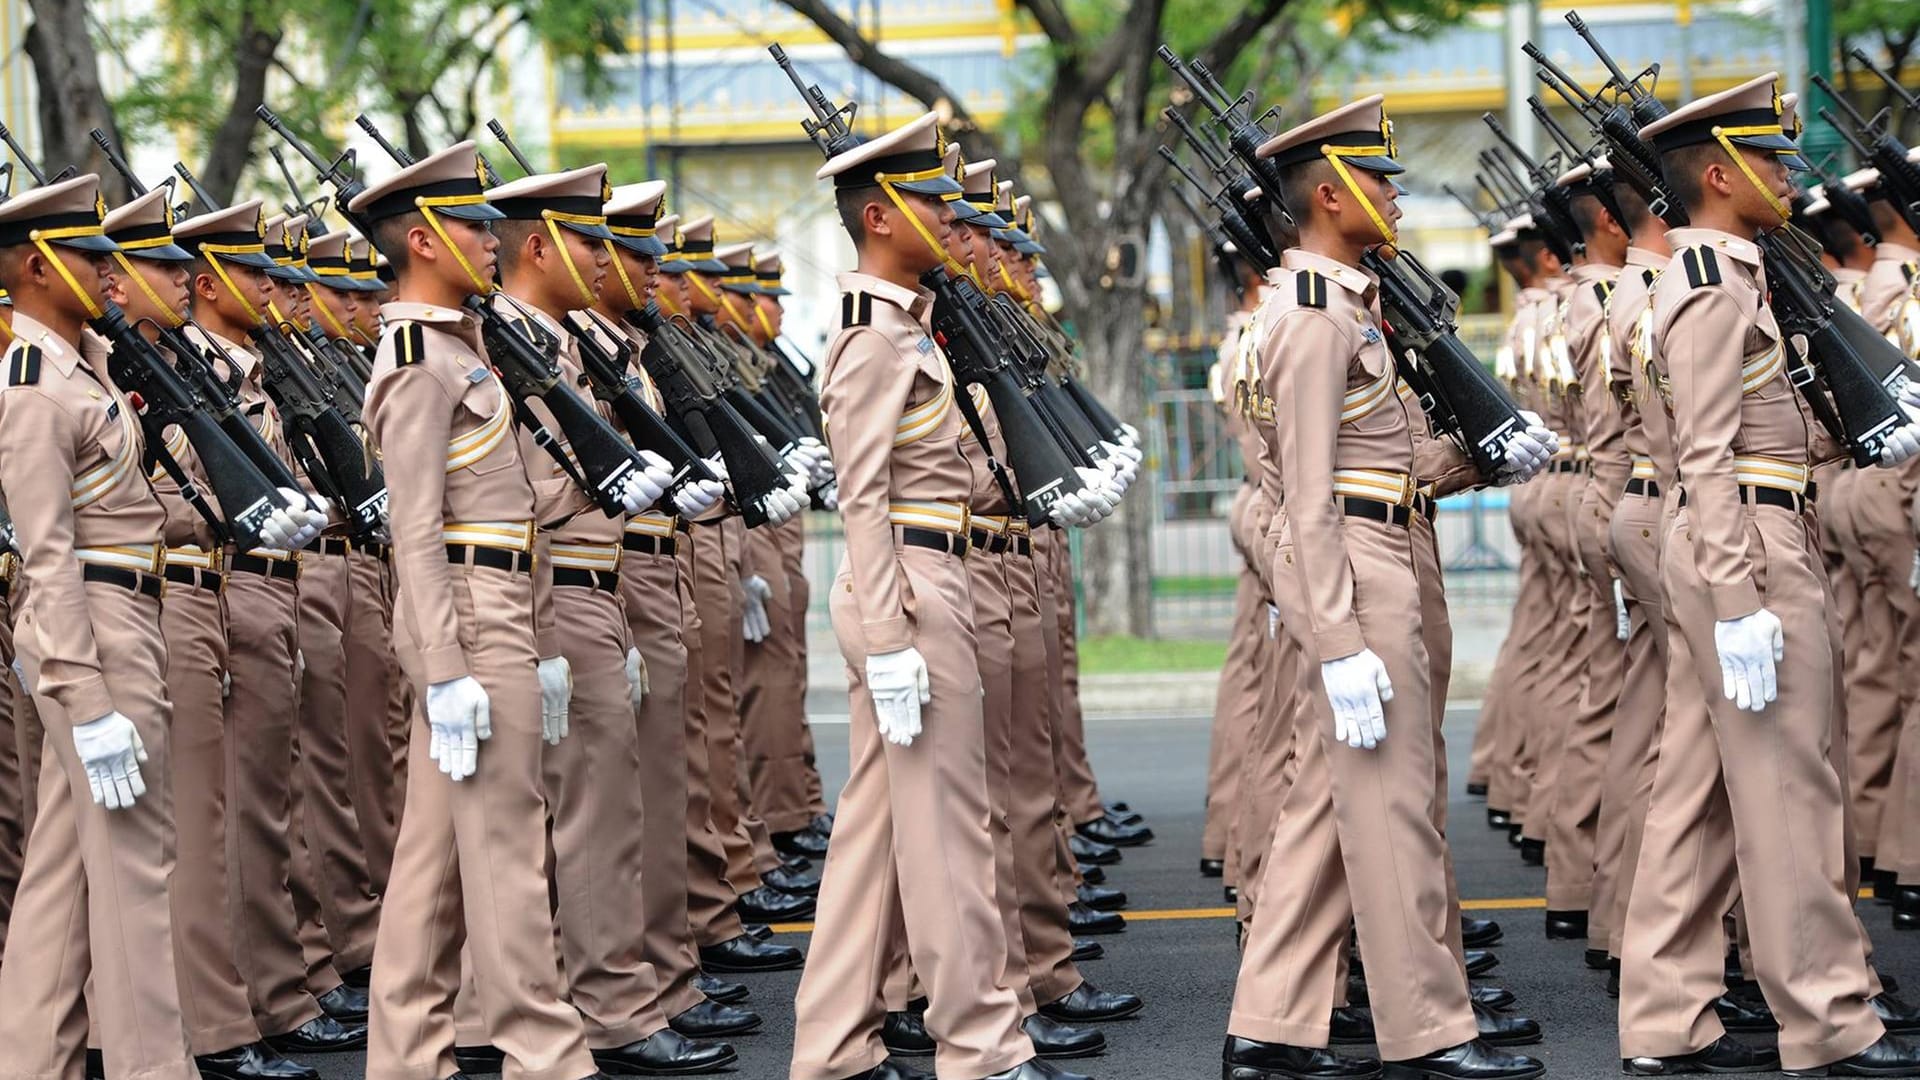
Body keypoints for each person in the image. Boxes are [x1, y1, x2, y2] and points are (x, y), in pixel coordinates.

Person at [1221, 96, 1544, 1080]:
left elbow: (1383, 464)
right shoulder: (1315, 316)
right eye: (1381, 178)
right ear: (1330, 195)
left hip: (1380, 554)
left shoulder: (1343, 303)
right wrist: (1336, 640)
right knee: (1392, 809)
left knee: (1330, 807)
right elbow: (1310, 497)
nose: (1397, 193)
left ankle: (1270, 1028)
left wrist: (1483, 454)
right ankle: (1429, 1034)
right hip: (1359, 577)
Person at [1617, 72, 1920, 1077]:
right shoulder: (1711, 286)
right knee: (1793, 791)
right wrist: (1743, 602)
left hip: (1729, 541)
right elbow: (1701, 453)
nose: (1790, 173)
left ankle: (1664, 1022)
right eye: (1771, 157)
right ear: (1718, 173)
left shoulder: (1718, 273)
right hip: (1746, 543)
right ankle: (1830, 1020)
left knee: (1696, 800)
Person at [787, 110, 1073, 1080]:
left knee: (874, 835)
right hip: (908, 581)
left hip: (922, 573)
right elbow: (860, 499)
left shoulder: (911, 329)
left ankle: (830, 1049)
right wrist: (891, 632)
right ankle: (984, 1050)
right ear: (879, 218)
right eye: (933, 205)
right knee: (948, 837)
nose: (952, 224)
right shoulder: (873, 340)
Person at [346, 139, 602, 1080]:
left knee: (434, 864)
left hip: (496, 607)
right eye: (472, 225)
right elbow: (413, 532)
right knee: (505, 856)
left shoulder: (460, 347)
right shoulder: (418, 359)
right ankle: (548, 1056)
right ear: (421, 240)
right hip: (467, 616)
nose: (492, 241)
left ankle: (406, 1057)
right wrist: (446, 668)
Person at [473, 160, 728, 1075]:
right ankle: (610, 1006)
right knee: (586, 817)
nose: (613, 257)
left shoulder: (560, 347)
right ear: (537, 247)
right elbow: (507, 505)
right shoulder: (500, 347)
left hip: (601, 591)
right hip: (555, 598)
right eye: (589, 240)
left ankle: (601, 993)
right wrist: (545, 631)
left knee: (609, 810)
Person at [0, 170, 199, 1080]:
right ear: (38, 267)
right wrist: (84, 696)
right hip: (96, 630)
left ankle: (32, 1062)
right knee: (134, 878)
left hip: (119, 614)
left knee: (64, 877)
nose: (111, 275)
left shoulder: (86, 366)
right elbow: (46, 557)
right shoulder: (36, 386)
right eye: (89, 257)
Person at [172, 198, 371, 1053]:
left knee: (289, 795)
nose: (274, 289)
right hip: (231, 589)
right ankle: (272, 994)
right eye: (257, 273)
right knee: (251, 809)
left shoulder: (248, 369)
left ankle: (301, 974)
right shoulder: (185, 374)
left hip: (280, 586)